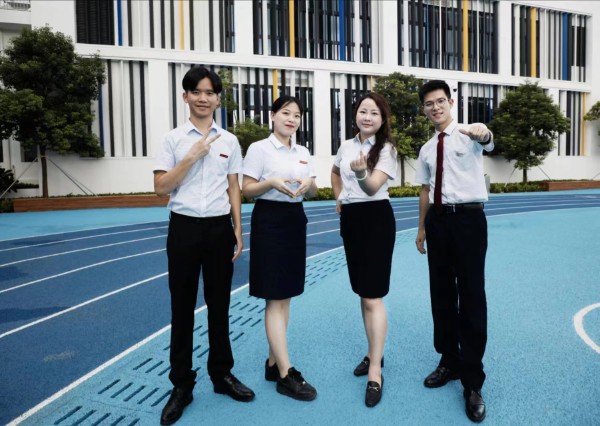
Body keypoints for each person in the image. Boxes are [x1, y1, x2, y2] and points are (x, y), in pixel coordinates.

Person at [153, 66, 255, 425]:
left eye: (210, 92)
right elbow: (161, 188)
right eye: (196, 91)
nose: (203, 98)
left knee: (220, 305)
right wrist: (190, 157)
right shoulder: (172, 140)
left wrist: (238, 229)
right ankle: (181, 384)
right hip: (183, 229)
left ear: (218, 99)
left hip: (218, 230)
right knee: (181, 308)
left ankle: (221, 374)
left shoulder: (229, 141)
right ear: (185, 96)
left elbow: (233, 187)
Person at [414, 80, 494, 423]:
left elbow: (488, 140)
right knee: (442, 294)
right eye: (429, 103)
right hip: (438, 223)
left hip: (468, 221)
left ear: (450, 101)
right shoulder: (426, 149)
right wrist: (421, 227)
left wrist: (483, 134)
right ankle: (449, 360)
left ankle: (472, 381)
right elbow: (424, 189)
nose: (435, 107)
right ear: (424, 109)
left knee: (472, 296)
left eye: (440, 101)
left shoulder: (469, 135)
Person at [242, 95, 318, 401]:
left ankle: (273, 363)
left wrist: (309, 185)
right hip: (269, 220)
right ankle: (286, 374)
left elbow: (313, 190)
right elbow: (247, 190)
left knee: (285, 296)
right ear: (273, 115)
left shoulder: (303, 151)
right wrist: (271, 182)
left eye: (297, 115)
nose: (291, 119)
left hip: (294, 219)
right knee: (275, 298)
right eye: (286, 113)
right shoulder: (259, 149)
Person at [331, 93, 398, 408]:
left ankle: (375, 371)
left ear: (382, 120)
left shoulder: (386, 149)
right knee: (362, 292)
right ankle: (373, 353)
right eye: (362, 111)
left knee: (373, 295)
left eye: (374, 113)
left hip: (376, 219)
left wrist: (360, 174)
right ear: (355, 114)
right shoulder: (346, 146)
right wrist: (339, 197)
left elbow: (371, 188)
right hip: (352, 219)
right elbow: (334, 172)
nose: (367, 117)